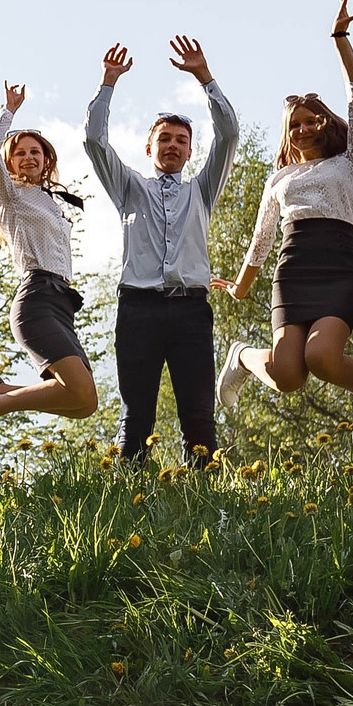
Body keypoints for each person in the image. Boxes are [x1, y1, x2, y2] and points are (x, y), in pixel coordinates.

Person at [214, 0, 353, 437]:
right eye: (294, 125)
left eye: (310, 121)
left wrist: (340, 38)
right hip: (293, 270)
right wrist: (240, 287)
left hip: (339, 267)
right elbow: (262, 238)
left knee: (321, 357)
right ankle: (241, 357)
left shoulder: (352, 162)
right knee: (288, 375)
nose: (303, 129)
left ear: (324, 123)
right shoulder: (279, 179)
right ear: (287, 135)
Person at [82, 35, 239, 466]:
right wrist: (108, 82)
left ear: (189, 151)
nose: (172, 145)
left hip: (191, 311)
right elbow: (94, 141)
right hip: (139, 309)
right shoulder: (130, 187)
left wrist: (204, 77)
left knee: (199, 416)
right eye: (165, 139)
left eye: (181, 141)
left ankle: (204, 494)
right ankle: (129, 489)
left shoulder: (201, 191)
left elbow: (228, 135)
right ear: (149, 148)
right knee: (136, 415)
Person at [0, 90, 99, 454]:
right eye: (19, 153)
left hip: (62, 303)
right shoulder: (10, 195)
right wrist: (8, 110)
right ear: (10, 163)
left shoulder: (50, 200)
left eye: (35, 152)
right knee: (78, 391)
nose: (28, 157)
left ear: (46, 159)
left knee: (85, 403)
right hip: (36, 300)